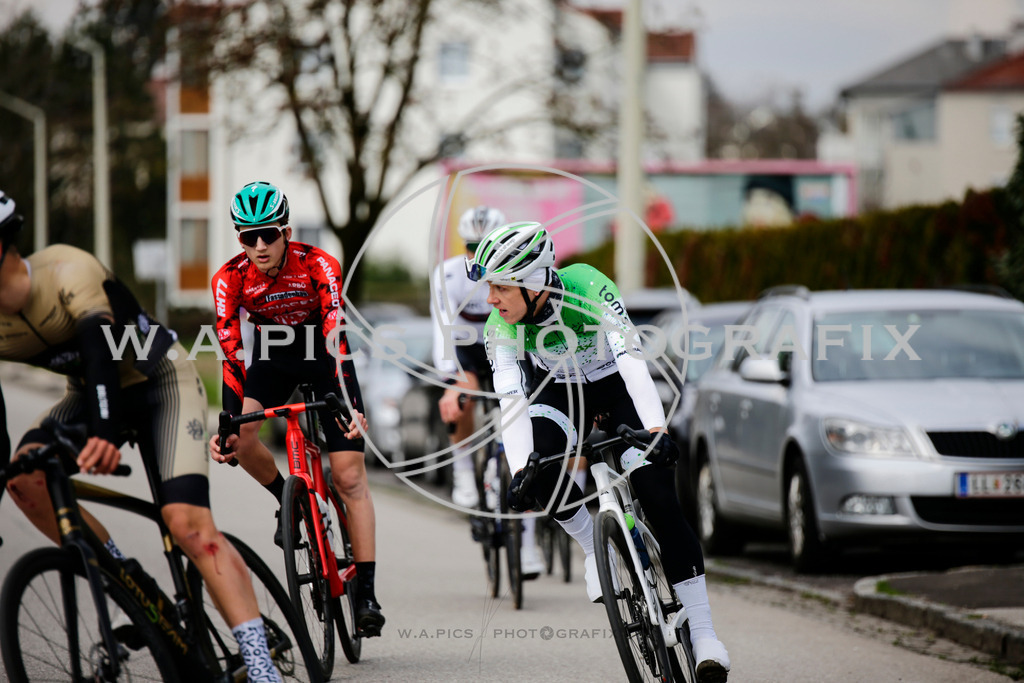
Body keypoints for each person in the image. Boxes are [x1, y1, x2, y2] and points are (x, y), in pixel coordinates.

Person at [0, 190, 286, 682]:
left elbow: (101, 353)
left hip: (160, 380)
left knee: (187, 523)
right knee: (24, 479)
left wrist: (107, 433)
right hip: (87, 395)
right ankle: (124, 579)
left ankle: (263, 670)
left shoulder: (66, 270)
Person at [466, 221, 730, 682]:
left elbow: (631, 359)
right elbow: (511, 403)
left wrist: (653, 429)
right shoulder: (499, 327)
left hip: (616, 392)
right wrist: (518, 472)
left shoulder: (587, 286)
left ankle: (705, 634)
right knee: (540, 474)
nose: (491, 299)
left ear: (531, 281)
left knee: (660, 498)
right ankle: (595, 549)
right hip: (560, 397)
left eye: (499, 286)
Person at [208, 180, 384, 636]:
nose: (260, 245)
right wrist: (228, 420)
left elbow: (334, 334)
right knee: (242, 439)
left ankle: (366, 592)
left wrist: (346, 403)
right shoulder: (229, 278)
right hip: (275, 353)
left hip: (324, 353)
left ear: (286, 230)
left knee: (348, 476)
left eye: (268, 233)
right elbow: (232, 354)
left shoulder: (318, 264)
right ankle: (293, 505)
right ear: (239, 238)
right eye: (248, 237)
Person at [432, 206, 545, 577]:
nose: (477, 252)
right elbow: (442, 329)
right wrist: (452, 381)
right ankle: (465, 469)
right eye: (470, 246)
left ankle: (528, 544)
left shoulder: (518, 271)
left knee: (526, 429)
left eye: (485, 244)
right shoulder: (448, 274)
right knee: (458, 400)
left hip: (512, 341)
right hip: (466, 346)